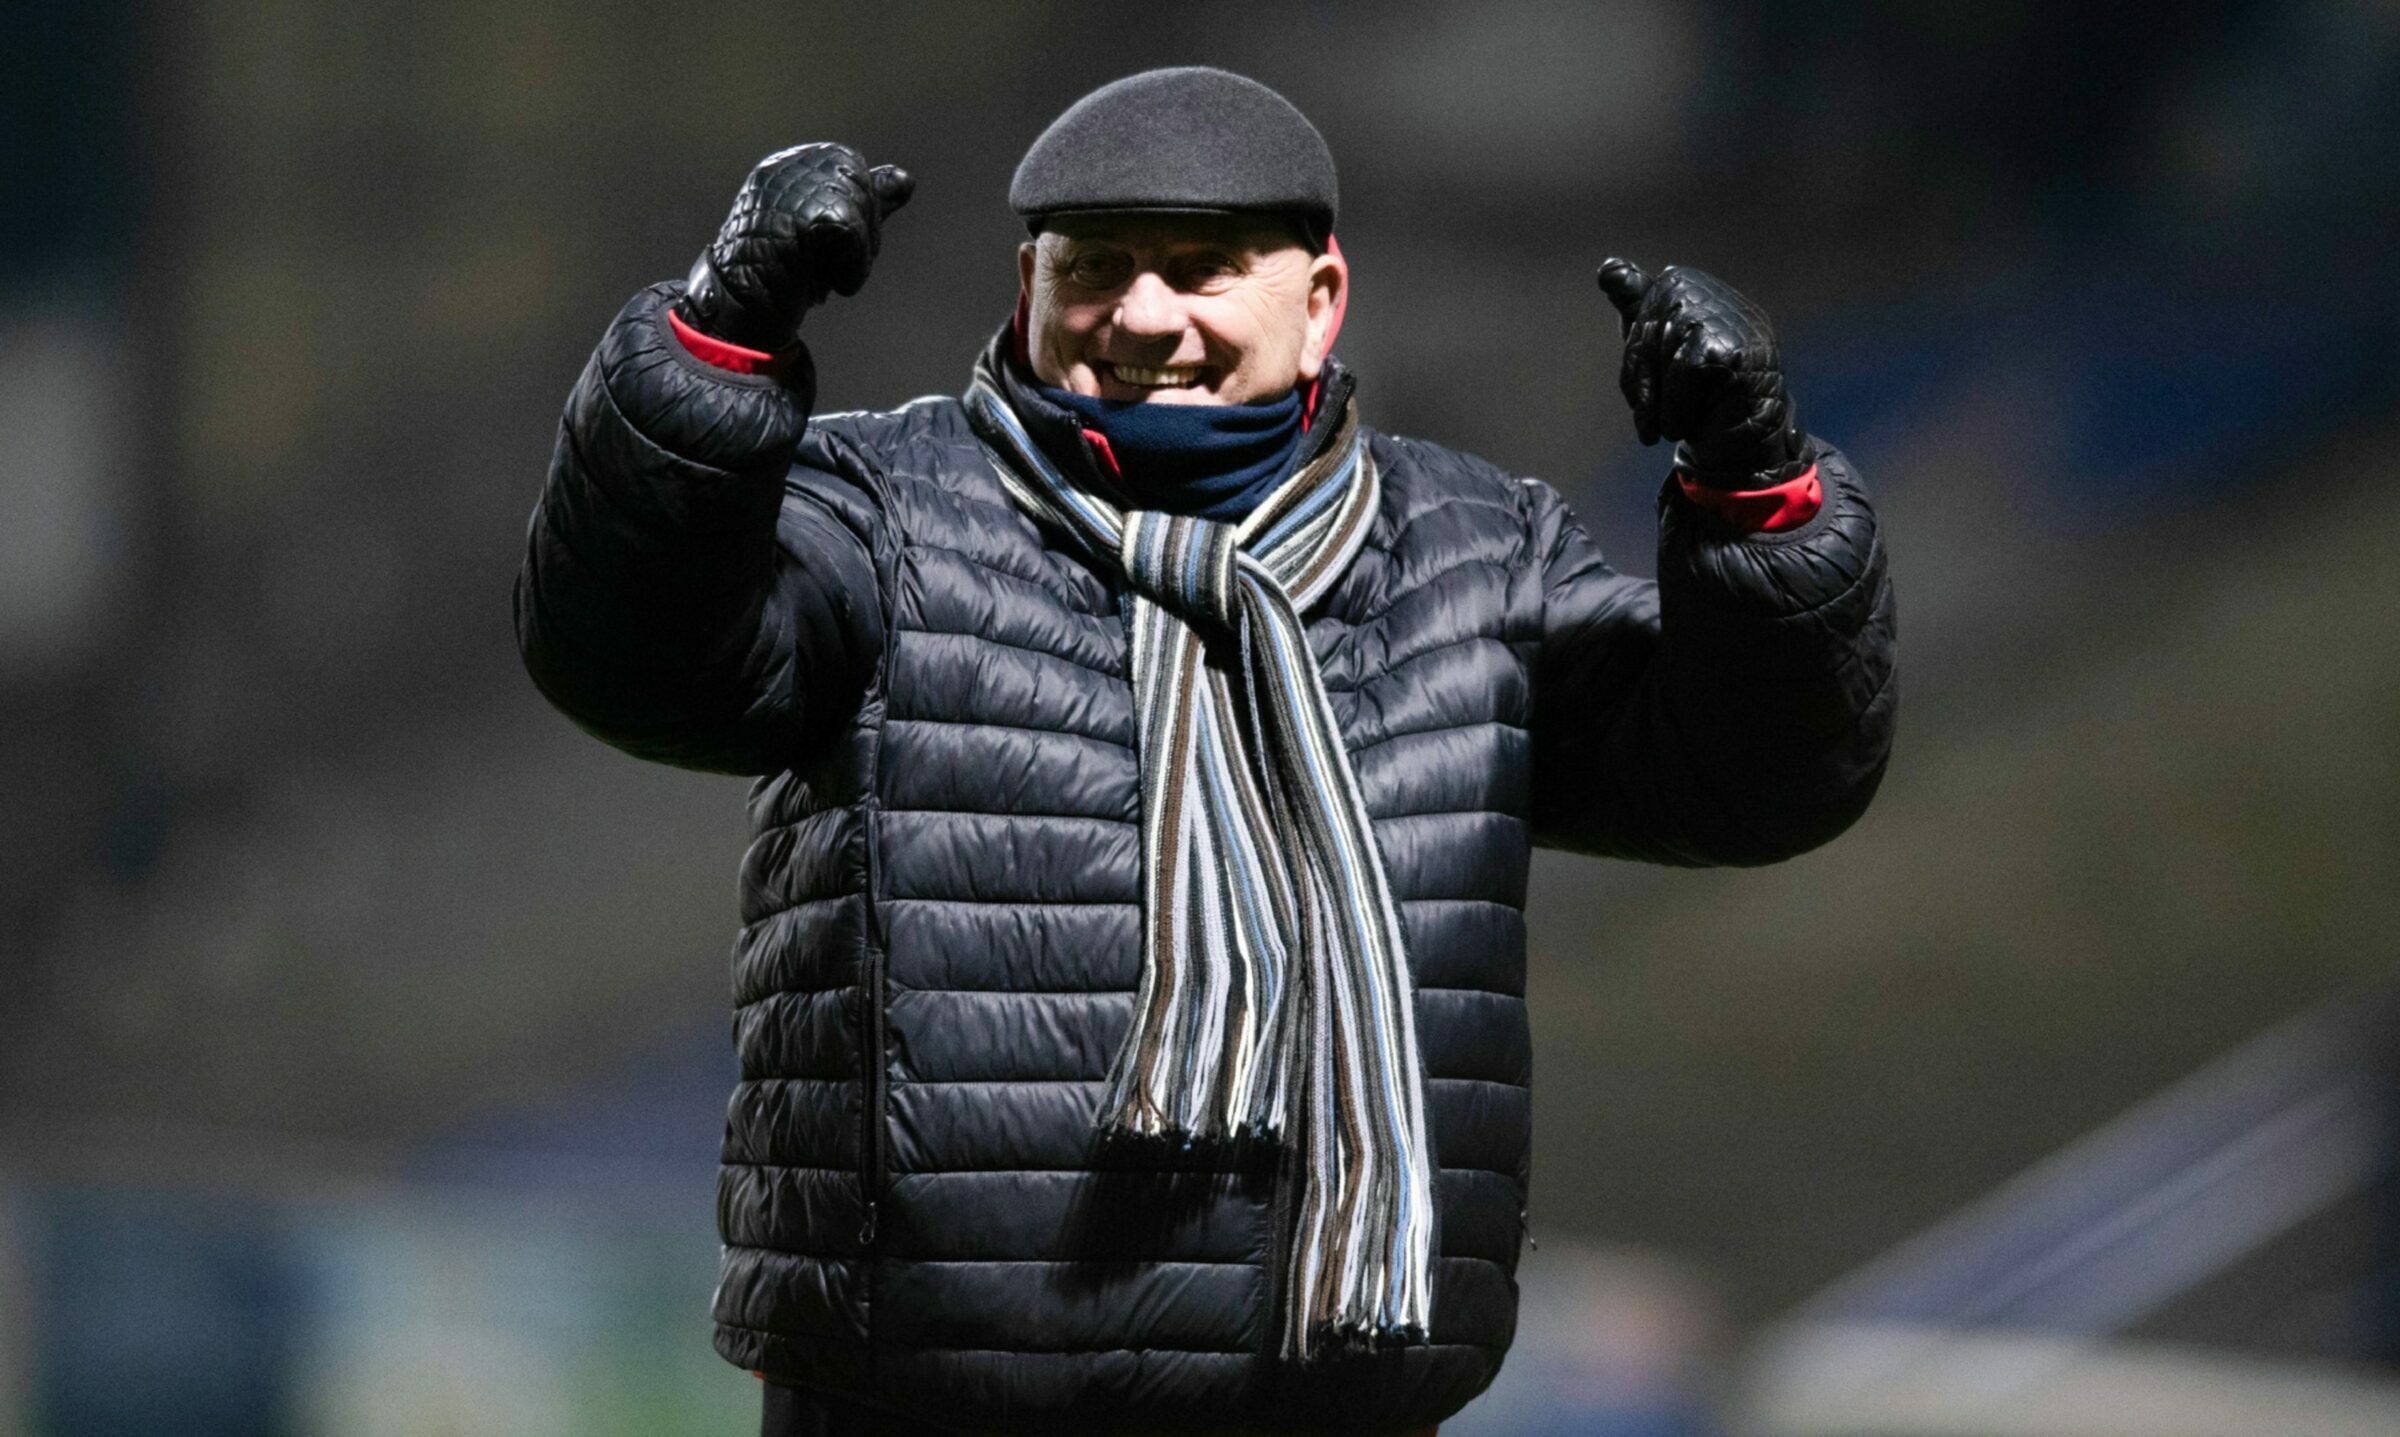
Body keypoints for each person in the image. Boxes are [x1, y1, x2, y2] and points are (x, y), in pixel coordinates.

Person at [515, 66, 1895, 1437]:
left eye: (1202, 266)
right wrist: (719, 335)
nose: (1142, 314)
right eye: (1096, 265)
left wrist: (1755, 479)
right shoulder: (878, 511)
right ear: (1028, 287)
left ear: (1320, 299)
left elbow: (1760, 772)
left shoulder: (1477, 555)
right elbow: (627, 657)